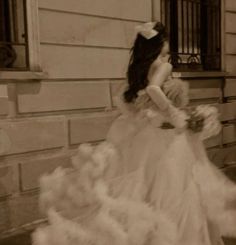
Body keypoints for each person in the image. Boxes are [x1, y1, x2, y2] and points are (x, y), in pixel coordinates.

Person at [32, 22, 236, 245]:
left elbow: (124, 102)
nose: (165, 57)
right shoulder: (164, 67)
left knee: (143, 193)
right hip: (167, 142)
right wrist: (176, 115)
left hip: (143, 139)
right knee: (175, 194)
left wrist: (148, 116)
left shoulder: (137, 70)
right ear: (157, 50)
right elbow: (153, 89)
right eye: (164, 52)